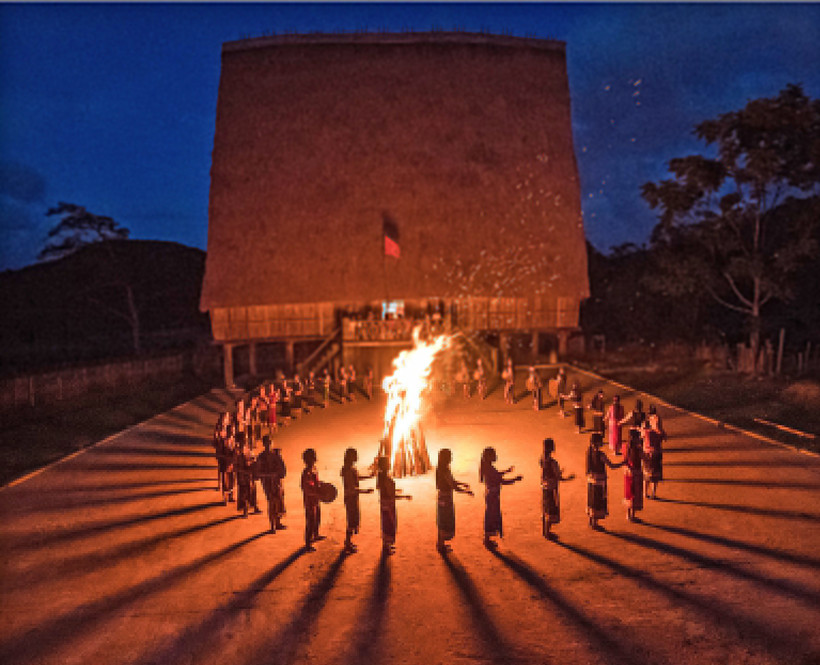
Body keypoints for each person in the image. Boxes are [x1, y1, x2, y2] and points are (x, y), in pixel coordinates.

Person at [479, 447, 522, 548]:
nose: (495, 456)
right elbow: (501, 481)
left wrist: (506, 471)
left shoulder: (487, 467)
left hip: (491, 494)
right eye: (493, 454)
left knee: (490, 515)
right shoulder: (489, 469)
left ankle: (487, 538)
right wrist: (515, 479)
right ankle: (487, 540)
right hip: (493, 496)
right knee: (491, 516)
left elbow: (497, 475)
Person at [435, 448, 473, 552]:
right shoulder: (445, 470)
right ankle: (441, 546)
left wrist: (462, 483)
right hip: (446, 498)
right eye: (450, 456)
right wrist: (466, 492)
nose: (451, 458)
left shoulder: (440, 468)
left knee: (441, 519)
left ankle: (440, 544)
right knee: (445, 520)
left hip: (441, 496)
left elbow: (452, 481)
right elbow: (453, 486)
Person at [341, 447, 375, 553]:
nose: (357, 457)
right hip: (351, 498)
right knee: (351, 521)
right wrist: (365, 491)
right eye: (354, 455)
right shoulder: (348, 470)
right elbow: (352, 488)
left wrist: (369, 476)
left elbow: (357, 478)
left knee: (353, 519)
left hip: (352, 497)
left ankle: (348, 542)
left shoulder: (350, 468)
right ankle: (347, 543)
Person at [585, 432, 622, 529]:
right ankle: (595, 523)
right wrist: (623, 463)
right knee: (598, 501)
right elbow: (611, 466)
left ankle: (590, 520)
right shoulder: (601, 455)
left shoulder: (589, 452)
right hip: (599, 481)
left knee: (591, 500)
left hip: (591, 479)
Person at [377, 455, 412, 554]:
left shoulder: (381, 476)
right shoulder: (384, 477)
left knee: (386, 524)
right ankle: (386, 547)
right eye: (387, 463)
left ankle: (386, 545)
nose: (389, 464)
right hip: (388, 506)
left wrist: (396, 490)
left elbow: (386, 490)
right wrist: (404, 496)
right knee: (389, 525)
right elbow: (390, 495)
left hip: (385, 505)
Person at [540, 438, 573, 538]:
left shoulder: (542, 459)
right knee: (551, 509)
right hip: (552, 488)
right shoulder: (553, 462)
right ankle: (547, 532)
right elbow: (559, 477)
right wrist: (568, 478)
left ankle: (544, 530)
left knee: (545, 508)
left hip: (544, 486)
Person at [257, 435, 285, 532]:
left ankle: (277, 522)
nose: (269, 444)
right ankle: (272, 525)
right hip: (268, 482)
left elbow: (283, 469)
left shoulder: (276, 455)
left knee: (279, 501)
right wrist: (268, 475)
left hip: (277, 482)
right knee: (271, 502)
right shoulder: (261, 457)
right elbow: (258, 472)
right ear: (264, 444)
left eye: (270, 442)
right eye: (267, 442)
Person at [300, 448, 321, 550]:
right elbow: (306, 488)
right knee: (310, 521)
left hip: (316, 499)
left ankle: (316, 535)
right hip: (310, 501)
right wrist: (316, 492)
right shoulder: (306, 472)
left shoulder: (314, 469)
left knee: (317, 518)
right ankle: (308, 543)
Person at [642, 410, 665, 499]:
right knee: (655, 476)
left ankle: (645, 493)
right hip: (656, 454)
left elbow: (642, 435)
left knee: (646, 475)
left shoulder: (647, 432)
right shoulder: (660, 433)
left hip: (648, 454)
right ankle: (653, 493)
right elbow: (664, 437)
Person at [623, 429, 645, 522]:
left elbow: (624, 459)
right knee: (635, 493)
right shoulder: (637, 448)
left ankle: (628, 514)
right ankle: (632, 515)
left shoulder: (625, 446)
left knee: (628, 492)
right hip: (636, 471)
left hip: (627, 472)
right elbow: (644, 457)